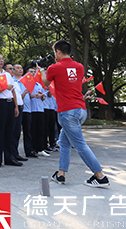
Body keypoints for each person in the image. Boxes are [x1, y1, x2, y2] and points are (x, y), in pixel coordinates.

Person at [42, 40, 110, 188]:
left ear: (58, 52)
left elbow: (45, 83)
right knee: (64, 143)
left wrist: (42, 70)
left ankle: (100, 177)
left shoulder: (54, 67)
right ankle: (61, 174)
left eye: (55, 52)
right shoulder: (79, 67)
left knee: (80, 145)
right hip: (80, 110)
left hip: (67, 112)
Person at [0, 53, 21, 167]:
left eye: (2, 59)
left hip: (9, 103)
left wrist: (16, 106)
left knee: (10, 131)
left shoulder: (7, 75)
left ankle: (9, 157)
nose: (1, 61)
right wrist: (4, 87)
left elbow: (12, 91)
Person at [7, 63, 28, 162]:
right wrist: (15, 107)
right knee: (11, 132)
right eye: (10, 69)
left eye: (12, 69)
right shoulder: (10, 81)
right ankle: (10, 154)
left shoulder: (16, 83)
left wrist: (24, 94)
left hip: (20, 107)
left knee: (17, 132)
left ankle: (15, 153)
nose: (12, 70)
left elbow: (19, 96)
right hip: (13, 107)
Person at [28, 68, 48, 157]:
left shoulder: (39, 84)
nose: (33, 73)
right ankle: (32, 148)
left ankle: (40, 149)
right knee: (32, 130)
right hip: (31, 109)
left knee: (40, 129)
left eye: (34, 72)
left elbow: (44, 97)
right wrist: (33, 95)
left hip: (40, 109)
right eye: (31, 72)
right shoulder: (26, 84)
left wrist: (42, 95)